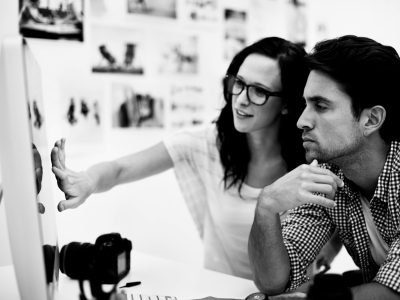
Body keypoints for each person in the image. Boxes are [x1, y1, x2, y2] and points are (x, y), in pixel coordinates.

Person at [51, 37, 311, 280]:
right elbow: (121, 169)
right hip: (223, 292)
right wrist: (87, 180)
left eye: (259, 91)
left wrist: (323, 260)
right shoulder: (207, 144)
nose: (241, 100)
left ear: (287, 103)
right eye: (239, 84)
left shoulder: (310, 158)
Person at [248, 35, 400, 299]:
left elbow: (391, 292)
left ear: (371, 119)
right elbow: (272, 281)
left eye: (320, 106)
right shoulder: (330, 173)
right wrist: (266, 206)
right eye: (306, 104)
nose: (302, 121)